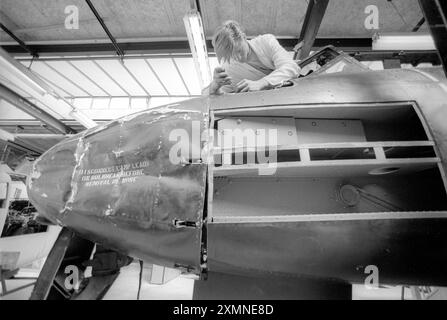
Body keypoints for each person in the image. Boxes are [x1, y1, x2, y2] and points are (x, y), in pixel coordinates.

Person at [207, 20, 300, 95]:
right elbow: (215, 97)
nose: (238, 57)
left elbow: (291, 67)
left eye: (239, 50)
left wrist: (262, 83)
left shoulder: (266, 41)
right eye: (232, 55)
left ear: (244, 37)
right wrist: (215, 86)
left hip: (299, 91)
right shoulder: (230, 68)